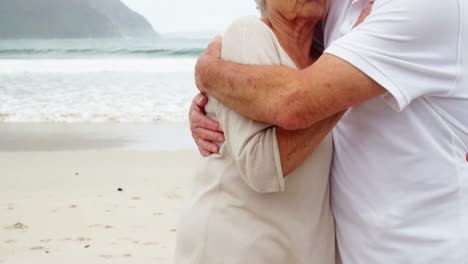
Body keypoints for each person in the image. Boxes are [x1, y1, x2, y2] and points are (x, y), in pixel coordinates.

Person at [190, 0, 468, 263]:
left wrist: (208, 72)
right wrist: (213, 102)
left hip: (423, 250)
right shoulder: (334, 10)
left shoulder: (424, 6)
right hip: (321, 248)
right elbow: (283, 72)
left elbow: (295, 101)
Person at [173, 0, 371, 263]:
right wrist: (352, 78)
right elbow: (261, 167)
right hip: (233, 245)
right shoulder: (249, 34)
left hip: (297, 247)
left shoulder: (327, 60)